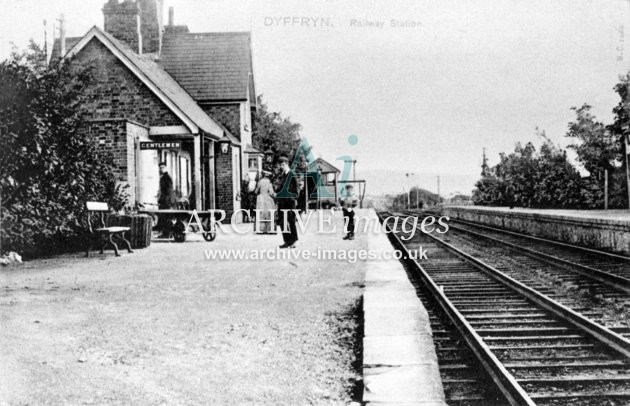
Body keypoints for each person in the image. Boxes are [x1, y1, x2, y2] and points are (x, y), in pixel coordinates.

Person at [275, 156, 299, 248]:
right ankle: (287, 240)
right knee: (282, 222)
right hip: (282, 203)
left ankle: (294, 240)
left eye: (283, 164)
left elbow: (296, 191)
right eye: (280, 164)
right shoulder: (282, 176)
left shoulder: (292, 175)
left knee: (291, 221)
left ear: (287, 164)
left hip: (290, 203)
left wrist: (291, 198)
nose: (281, 166)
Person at [157, 161, 175, 238]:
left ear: (166, 168)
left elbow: (167, 191)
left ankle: (166, 233)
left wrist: (162, 199)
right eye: (160, 168)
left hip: (166, 201)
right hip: (166, 200)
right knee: (166, 217)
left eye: (163, 167)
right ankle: (168, 233)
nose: (161, 169)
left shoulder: (166, 178)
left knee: (165, 217)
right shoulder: (165, 177)